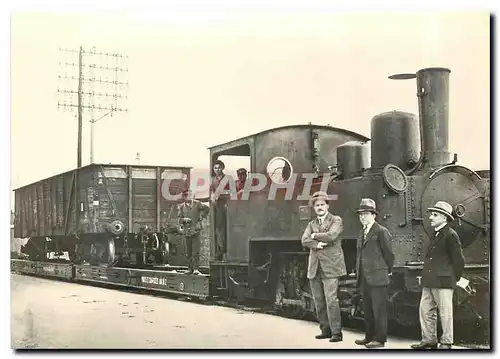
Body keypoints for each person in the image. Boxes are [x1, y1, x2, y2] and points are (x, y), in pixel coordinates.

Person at [411, 201, 465, 350]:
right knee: (425, 310)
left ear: (444, 218)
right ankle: (429, 340)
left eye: (435, 215)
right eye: (431, 214)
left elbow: (459, 261)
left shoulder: (450, 235)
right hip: (430, 280)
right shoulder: (437, 234)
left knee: (445, 312)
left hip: (443, 281)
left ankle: (447, 342)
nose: (431, 218)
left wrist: (454, 278)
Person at [301, 191, 346, 343]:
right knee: (319, 301)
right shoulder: (311, 224)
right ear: (314, 208)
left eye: (322, 204)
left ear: (327, 205)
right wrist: (317, 243)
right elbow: (303, 240)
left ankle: (336, 333)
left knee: (331, 300)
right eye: (317, 205)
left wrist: (314, 236)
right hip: (315, 267)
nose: (320, 207)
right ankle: (325, 330)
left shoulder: (336, 220)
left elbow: (332, 236)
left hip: (331, 266)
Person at [354, 198, 394, 349]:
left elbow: (389, 255)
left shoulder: (381, 231)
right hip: (365, 277)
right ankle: (369, 336)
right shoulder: (362, 232)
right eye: (360, 214)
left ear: (373, 215)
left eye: (365, 214)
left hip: (378, 277)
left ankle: (380, 339)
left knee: (379, 310)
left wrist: (385, 271)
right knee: (368, 309)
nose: (362, 217)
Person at [177, 189, 210, 275]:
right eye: (188, 195)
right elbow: (179, 219)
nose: (190, 197)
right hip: (186, 232)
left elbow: (207, 208)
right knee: (188, 251)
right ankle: (190, 268)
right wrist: (184, 219)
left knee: (196, 251)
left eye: (191, 195)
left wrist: (201, 216)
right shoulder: (181, 207)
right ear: (184, 197)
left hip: (195, 230)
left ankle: (196, 269)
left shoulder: (197, 204)